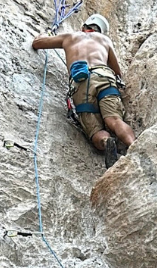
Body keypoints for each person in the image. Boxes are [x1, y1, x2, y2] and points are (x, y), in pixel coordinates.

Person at [32, 14, 136, 168]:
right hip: (104, 76)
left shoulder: (70, 37)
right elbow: (117, 72)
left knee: (95, 131)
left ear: (84, 26)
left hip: (81, 81)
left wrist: (45, 34)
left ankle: (107, 142)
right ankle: (134, 147)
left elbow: (37, 43)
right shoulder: (104, 40)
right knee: (114, 120)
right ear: (100, 31)